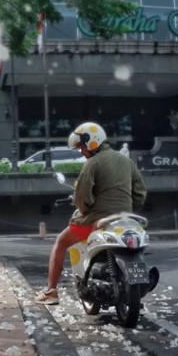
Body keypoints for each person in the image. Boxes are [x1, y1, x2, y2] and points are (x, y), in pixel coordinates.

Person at [35, 121, 147, 305]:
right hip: (126, 220)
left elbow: (83, 198)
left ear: (91, 143)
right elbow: (140, 194)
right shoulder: (127, 161)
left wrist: (84, 209)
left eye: (81, 147)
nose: (80, 151)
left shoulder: (92, 163)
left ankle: (51, 291)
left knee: (61, 242)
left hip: (96, 220)